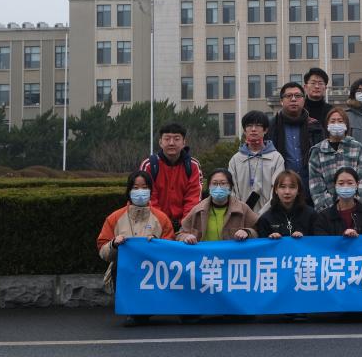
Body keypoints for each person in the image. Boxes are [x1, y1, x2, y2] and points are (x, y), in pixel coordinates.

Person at [96, 171, 175, 305]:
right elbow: (103, 251)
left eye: (144, 187)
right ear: (129, 191)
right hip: (124, 272)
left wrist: (157, 243)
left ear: (150, 190)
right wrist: (114, 244)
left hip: (153, 273)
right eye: (135, 188)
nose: (140, 191)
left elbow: (171, 249)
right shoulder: (114, 218)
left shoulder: (162, 219)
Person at [138, 122, 202, 231]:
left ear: (184, 142)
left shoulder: (193, 165)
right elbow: (149, 198)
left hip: (185, 226)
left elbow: (193, 198)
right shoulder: (149, 165)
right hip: (154, 224)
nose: (171, 143)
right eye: (167, 139)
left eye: (176, 139)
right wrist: (163, 224)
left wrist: (185, 225)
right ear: (160, 142)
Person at [308, 107, 362, 211]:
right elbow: (316, 185)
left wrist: (353, 205)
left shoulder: (358, 148)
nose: (336, 124)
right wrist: (330, 210)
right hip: (327, 212)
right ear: (327, 125)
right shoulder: (317, 151)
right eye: (333, 121)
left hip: (354, 208)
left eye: (340, 121)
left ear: (346, 125)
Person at [267, 82, 325, 192]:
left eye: (298, 96)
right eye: (289, 96)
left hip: (311, 186)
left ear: (304, 100)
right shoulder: (271, 127)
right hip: (281, 187)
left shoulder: (315, 126)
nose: (293, 99)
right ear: (281, 101)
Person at [176, 169, 259, 244]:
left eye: (223, 183)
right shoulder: (197, 210)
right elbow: (180, 234)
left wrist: (247, 232)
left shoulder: (243, 208)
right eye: (214, 183)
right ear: (209, 187)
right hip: (206, 255)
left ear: (230, 187)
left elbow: (258, 230)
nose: (218, 187)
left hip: (233, 255)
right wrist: (186, 237)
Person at [228, 110, 284, 213]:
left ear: (265, 130)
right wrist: (241, 212)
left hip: (269, 215)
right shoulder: (236, 160)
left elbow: (277, 189)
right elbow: (232, 190)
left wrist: (264, 214)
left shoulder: (276, 158)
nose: (253, 129)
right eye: (249, 126)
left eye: (258, 126)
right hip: (241, 215)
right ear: (244, 130)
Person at [313, 167, 362, 237]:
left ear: (357, 185)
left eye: (350, 183)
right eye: (341, 183)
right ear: (335, 186)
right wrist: (343, 238)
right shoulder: (324, 217)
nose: (345, 186)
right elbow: (321, 241)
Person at [256, 170, 319, 239]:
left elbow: (318, 242)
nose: (287, 192)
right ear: (276, 190)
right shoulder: (266, 218)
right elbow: (262, 243)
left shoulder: (311, 215)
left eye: (292, 187)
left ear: (298, 190)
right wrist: (271, 239)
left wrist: (304, 239)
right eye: (283, 187)